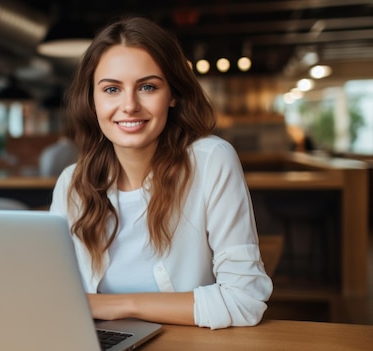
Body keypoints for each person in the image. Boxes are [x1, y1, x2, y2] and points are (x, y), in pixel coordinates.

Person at [49, 16, 272, 330]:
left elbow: (244, 300)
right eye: (111, 89)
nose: (129, 105)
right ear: (92, 100)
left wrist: (116, 306)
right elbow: (53, 295)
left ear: (173, 95)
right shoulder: (72, 184)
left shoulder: (211, 161)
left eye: (147, 87)